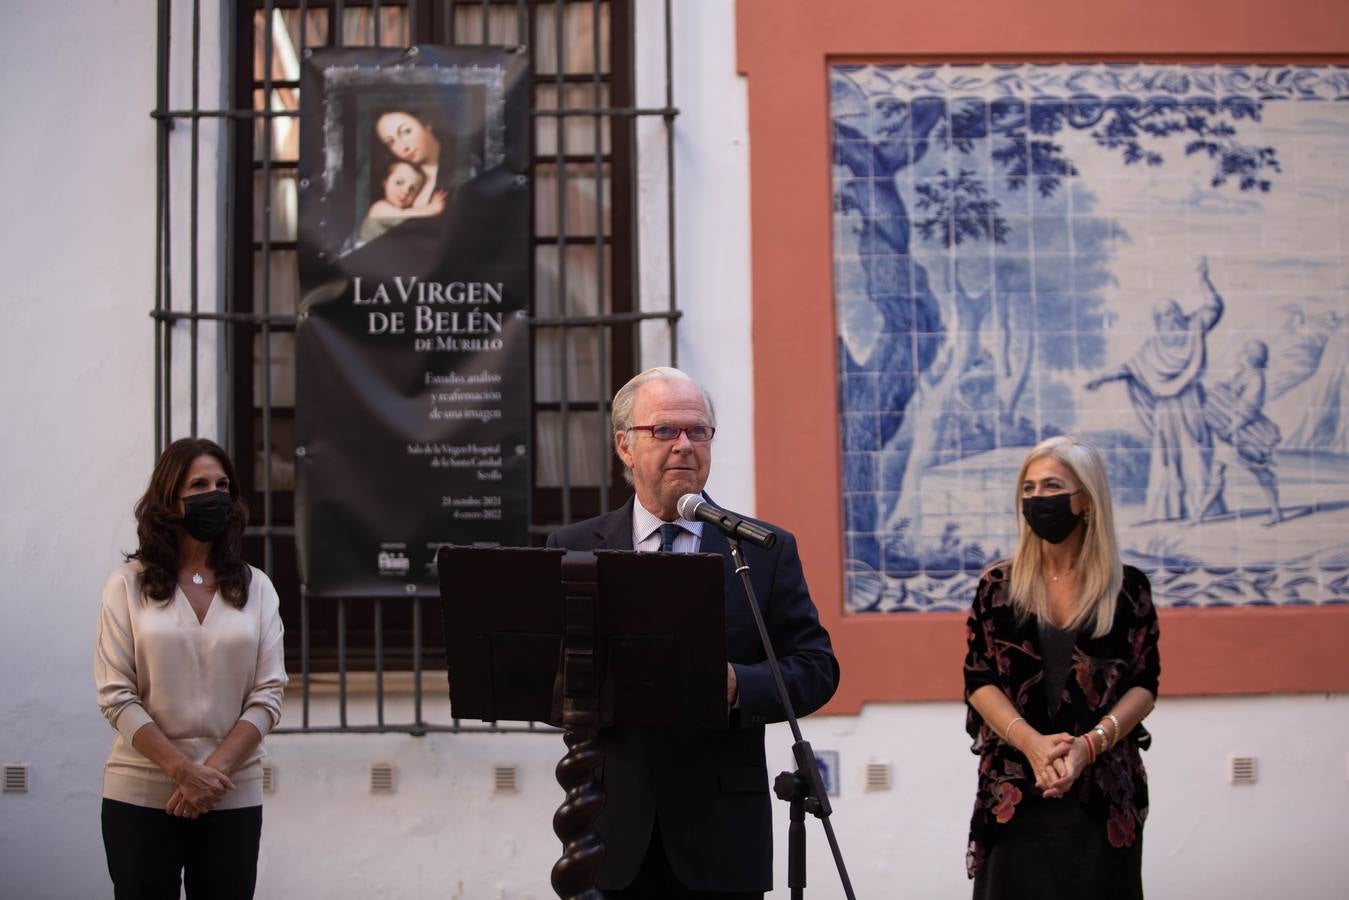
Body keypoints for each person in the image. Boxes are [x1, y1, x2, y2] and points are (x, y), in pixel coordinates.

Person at [547, 367, 840, 898]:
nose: (683, 446)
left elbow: (816, 669)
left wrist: (736, 685)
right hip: (610, 836)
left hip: (722, 839)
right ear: (625, 446)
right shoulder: (575, 549)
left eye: (697, 431)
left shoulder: (759, 549)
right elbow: (546, 674)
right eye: (664, 431)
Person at [963, 435, 1160, 899]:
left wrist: (1088, 748)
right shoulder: (997, 585)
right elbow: (979, 679)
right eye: (1027, 490)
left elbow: (1144, 684)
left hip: (1103, 796)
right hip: (1014, 791)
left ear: (1086, 501)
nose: (1037, 500)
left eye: (1051, 487)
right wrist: (1033, 746)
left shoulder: (1127, 588)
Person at [95, 438, 287, 899]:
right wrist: (182, 770)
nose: (214, 494)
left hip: (230, 793)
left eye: (223, 484)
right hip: (141, 793)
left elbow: (269, 694)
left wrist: (210, 776)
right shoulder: (128, 585)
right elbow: (117, 695)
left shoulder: (256, 587)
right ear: (169, 499)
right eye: (199, 484)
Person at [1086, 257, 1224, 522]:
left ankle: (1204, 507)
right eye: (1162, 315)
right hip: (1166, 408)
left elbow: (1214, 307)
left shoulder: (1194, 327)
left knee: (1195, 451)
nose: (1168, 318)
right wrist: (1102, 378)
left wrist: (1203, 280)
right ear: (1157, 320)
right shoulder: (1153, 346)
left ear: (1178, 313)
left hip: (1190, 403)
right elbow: (1129, 367)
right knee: (1165, 457)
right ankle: (1168, 510)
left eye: (1171, 312)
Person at [1201, 338, 1284, 525]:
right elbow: (1229, 397)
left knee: (1262, 473)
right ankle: (1198, 516)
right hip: (1230, 434)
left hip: (1246, 435)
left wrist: (1229, 429)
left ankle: (1276, 513)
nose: (1241, 353)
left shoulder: (1255, 378)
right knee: (1217, 471)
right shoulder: (1243, 374)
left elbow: (1249, 409)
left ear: (1252, 357)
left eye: (1245, 350)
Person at [356, 158, 448, 245]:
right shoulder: (379, 207)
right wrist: (432, 209)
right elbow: (403, 215)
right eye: (399, 182)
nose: (405, 191)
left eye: (412, 189)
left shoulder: (405, 209)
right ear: (385, 183)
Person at [374, 109, 446, 208]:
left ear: (426, 124)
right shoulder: (398, 173)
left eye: (406, 131)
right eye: (391, 142)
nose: (403, 147)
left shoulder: (460, 161)